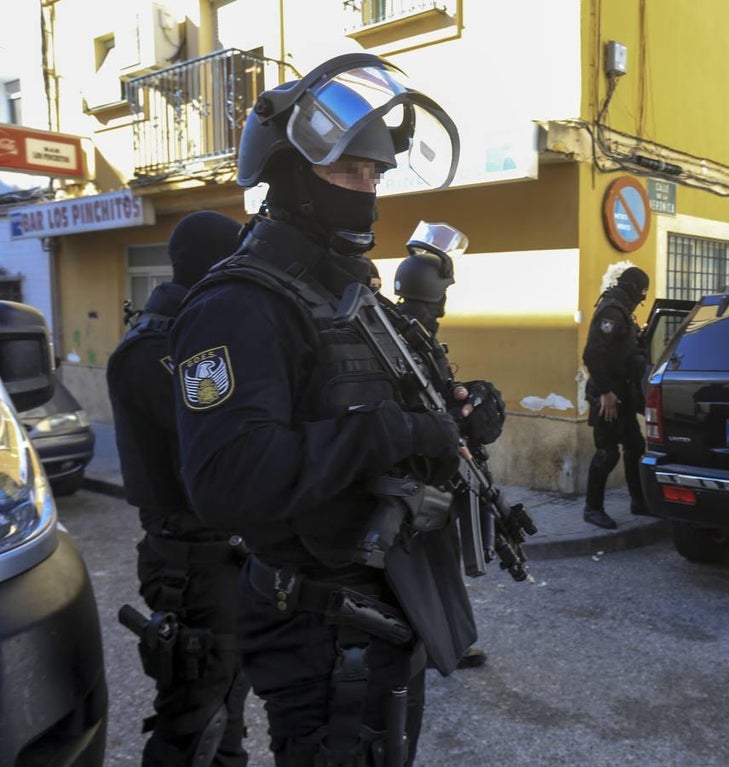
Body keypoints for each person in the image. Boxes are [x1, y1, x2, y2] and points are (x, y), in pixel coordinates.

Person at [169, 52, 473, 766]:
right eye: (349, 172)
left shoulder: (348, 295)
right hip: (317, 626)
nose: (367, 192)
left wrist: (459, 413)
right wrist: (392, 433)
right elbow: (229, 478)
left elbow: (388, 400)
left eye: (375, 174)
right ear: (290, 177)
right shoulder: (239, 304)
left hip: (383, 607)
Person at [106, 210, 250, 766]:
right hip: (189, 562)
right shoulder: (155, 348)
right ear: (214, 266)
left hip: (219, 554)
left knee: (226, 709)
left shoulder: (196, 335)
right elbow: (221, 438)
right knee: (194, 722)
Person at [391, 231, 508, 670]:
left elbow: (436, 392)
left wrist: (467, 395)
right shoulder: (405, 336)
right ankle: (441, 644)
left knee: (439, 557)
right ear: (435, 294)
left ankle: (449, 640)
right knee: (432, 560)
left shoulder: (411, 332)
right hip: (419, 471)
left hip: (429, 463)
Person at [581, 262, 651, 529]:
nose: (642, 298)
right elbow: (592, 354)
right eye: (642, 293)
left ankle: (639, 501)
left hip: (622, 392)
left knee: (635, 446)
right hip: (607, 395)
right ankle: (592, 509)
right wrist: (606, 393)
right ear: (634, 289)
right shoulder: (612, 310)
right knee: (608, 452)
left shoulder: (622, 310)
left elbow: (621, 349)